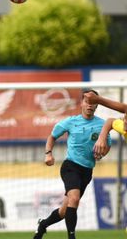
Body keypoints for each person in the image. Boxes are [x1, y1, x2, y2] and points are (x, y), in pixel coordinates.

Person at [33, 90, 111, 239]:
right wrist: (48, 153)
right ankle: (71, 237)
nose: (89, 105)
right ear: (81, 103)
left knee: (64, 211)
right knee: (74, 199)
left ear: (97, 105)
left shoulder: (102, 124)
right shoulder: (71, 121)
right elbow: (52, 136)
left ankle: (43, 225)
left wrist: (102, 153)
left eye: (93, 102)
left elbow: (107, 145)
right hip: (71, 166)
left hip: (87, 170)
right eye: (87, 102)